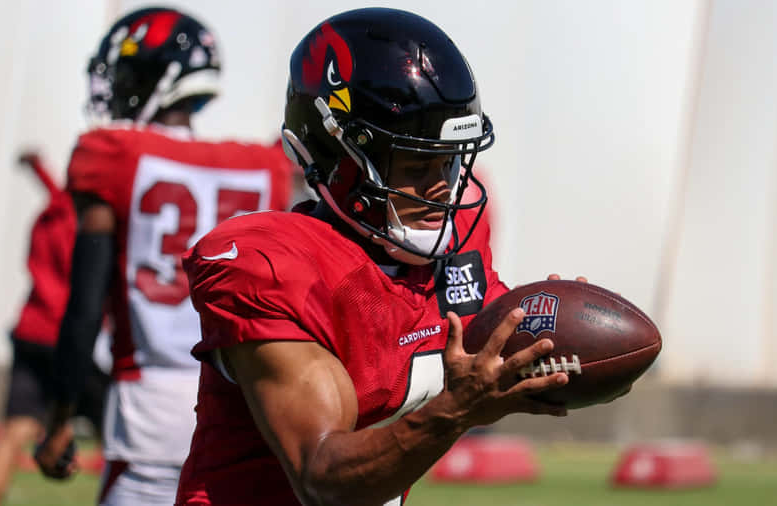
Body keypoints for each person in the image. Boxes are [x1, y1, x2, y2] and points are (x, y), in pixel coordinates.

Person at [174, 8, 577, 506]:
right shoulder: (273, 268)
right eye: (414, 164)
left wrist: (566, 332)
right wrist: (458, 409)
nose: (440, 187)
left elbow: (507, 346)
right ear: (337, 160)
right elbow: (324, 478)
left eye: (449, 162)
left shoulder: (451, 262)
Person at [33, 7, 294, 506]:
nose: (120, 88)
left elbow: (85, 306)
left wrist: (60, 420)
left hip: (148, 412)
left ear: (163, 77)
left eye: (129, 75)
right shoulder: (265, 168)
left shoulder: (114, 154)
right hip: (245, 410)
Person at [0, 153, 109, 506]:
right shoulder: (89, 218)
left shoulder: (46, 217)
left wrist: (37, 167)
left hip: (31, 331)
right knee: (118, 435)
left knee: (13, 430)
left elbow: (55, 192)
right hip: (74, 337)